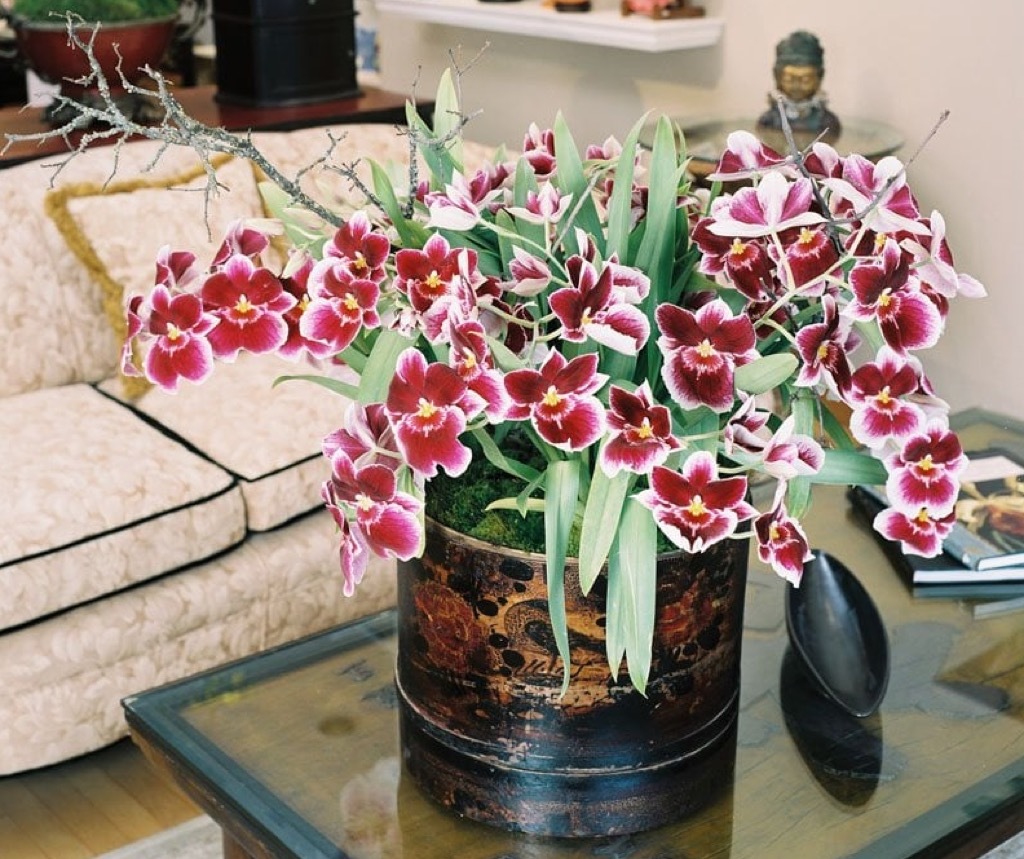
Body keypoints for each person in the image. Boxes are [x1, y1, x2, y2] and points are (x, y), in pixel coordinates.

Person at [757, 30, 841, 141]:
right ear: (777, 77)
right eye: (789, 79)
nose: (796, 86)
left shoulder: (827, 122)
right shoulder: (769, 120)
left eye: (805, 80)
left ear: (819, 78)